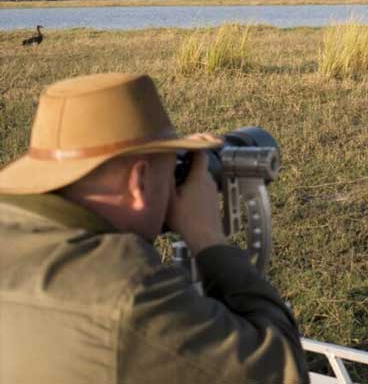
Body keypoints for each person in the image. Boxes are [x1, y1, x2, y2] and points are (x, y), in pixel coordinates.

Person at [0, 73, 309, 384]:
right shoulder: (129, 295)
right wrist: (208, 238)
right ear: (139, 181)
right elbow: (279, 372)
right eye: (172, 170)